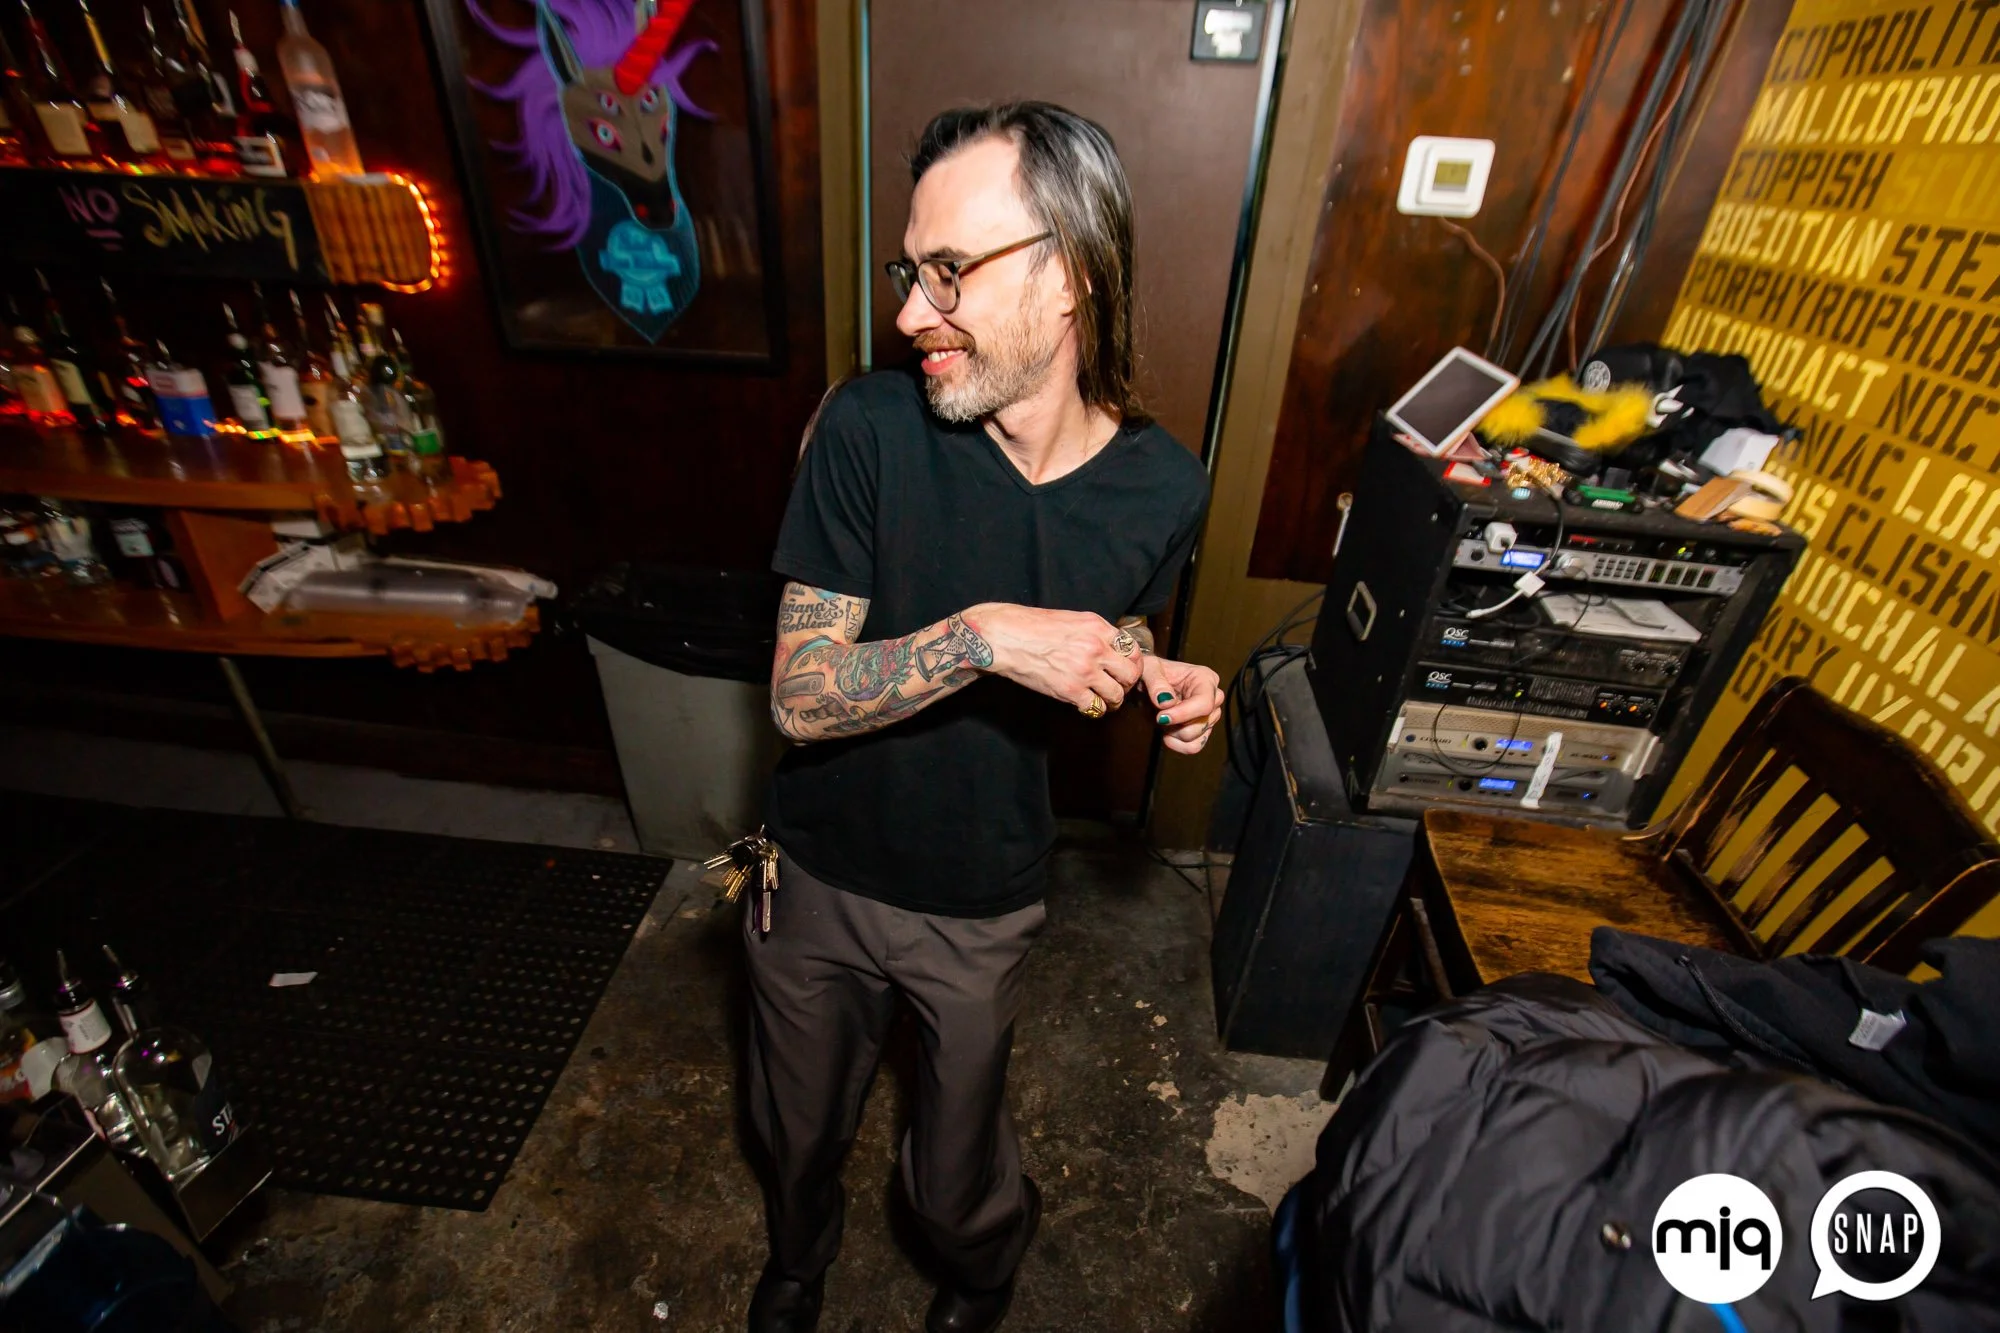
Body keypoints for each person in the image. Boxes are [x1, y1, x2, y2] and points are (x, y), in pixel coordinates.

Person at [745, 101, 1221, 1333]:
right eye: (910, 272)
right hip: (816, 876)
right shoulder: (867, 429)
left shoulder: (1165, 484)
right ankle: (796, 1260)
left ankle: (981, 1270)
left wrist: (1152, 671)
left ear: (1068, 276)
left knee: (952, 1175)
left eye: (949, 270)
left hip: (980, 897)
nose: (912, 312)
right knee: (793, 1129)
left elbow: (1114, 622)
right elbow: (798, 694)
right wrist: (983, 635)